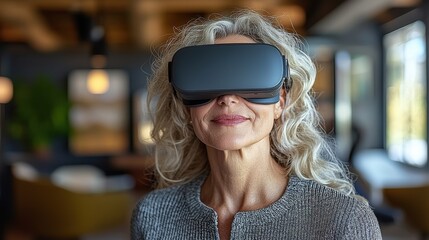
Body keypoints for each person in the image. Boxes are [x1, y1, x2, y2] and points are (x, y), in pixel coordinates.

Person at [131, 10, 382, 240]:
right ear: (186, 108)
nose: (227, 99)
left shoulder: (344, 219)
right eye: (209, 81)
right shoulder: (153, 216)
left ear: (280, 102)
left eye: (249, 78)